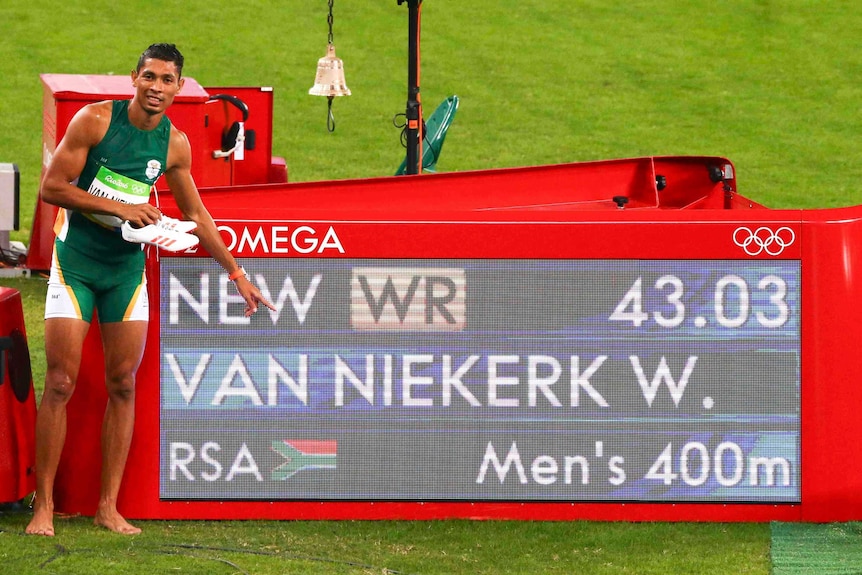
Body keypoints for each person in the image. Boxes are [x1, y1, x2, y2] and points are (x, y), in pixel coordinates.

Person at [25, 43, 275, 536]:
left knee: (123, 383)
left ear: (179, 88)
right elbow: (51, 188)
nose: (157, 88)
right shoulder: (95, 122)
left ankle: (107, 506)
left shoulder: (175, 144)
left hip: (124, 271)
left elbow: (198, 215)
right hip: (75, 263)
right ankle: (45, 506)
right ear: (134, 78)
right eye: (150, 77)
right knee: (59, 382)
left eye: (167, 80)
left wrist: (237, 274)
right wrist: (120, 208)